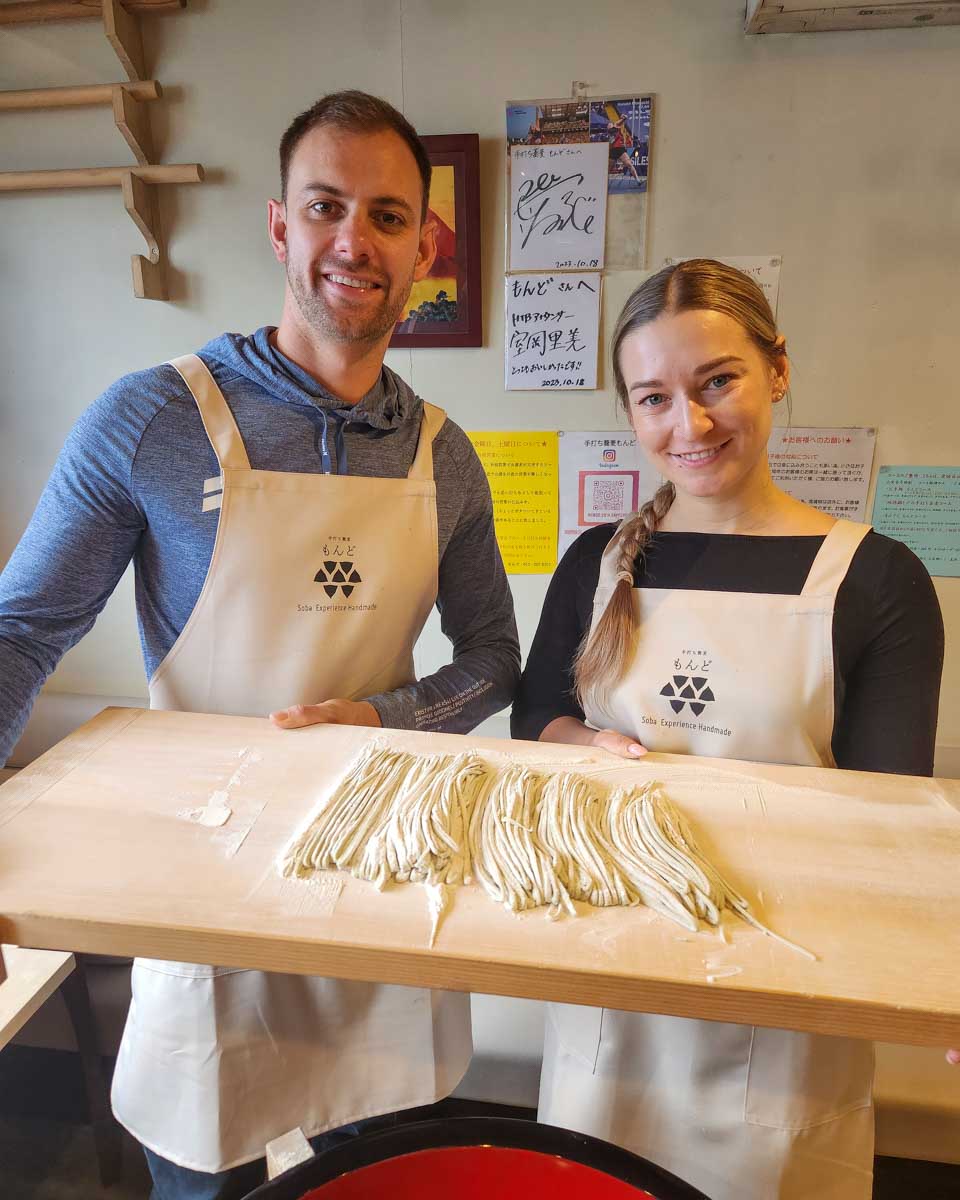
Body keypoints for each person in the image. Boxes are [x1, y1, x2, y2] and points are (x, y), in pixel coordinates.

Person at [0, 91, 520, 1199]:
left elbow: (494, 658)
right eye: (326, 206)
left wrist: (387, 719)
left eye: (387, 216)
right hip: (203, 882)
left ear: (424, 247)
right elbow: (20, 632)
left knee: (381, 1172)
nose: (354, 240)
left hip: (384, 879)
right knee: (205, 1169)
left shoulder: (446, 457)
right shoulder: (152, 420)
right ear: (281, 226)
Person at [511, 258, 943, 1200]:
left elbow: (895, 824)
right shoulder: (595, 561)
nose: (689, 425)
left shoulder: (874, 580)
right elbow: (534, 717)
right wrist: (590, 747)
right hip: (610, 970)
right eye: (654, 397)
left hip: (787, 991)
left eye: (718, 382)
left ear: (777, 369)